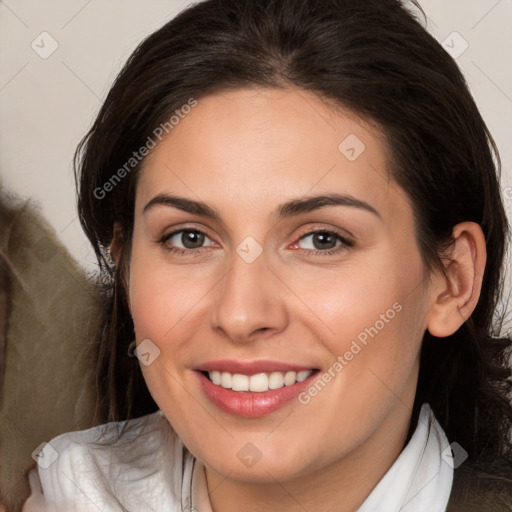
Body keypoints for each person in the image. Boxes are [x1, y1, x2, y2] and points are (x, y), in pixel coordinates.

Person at [22, 0, 512, 510]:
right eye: (189, 238)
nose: (241, 314)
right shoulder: (56, 492)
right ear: (125, 266)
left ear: (452, 281)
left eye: (323, 239)